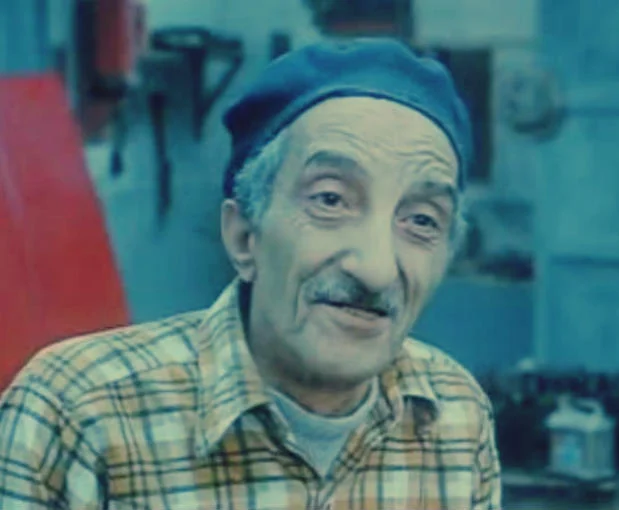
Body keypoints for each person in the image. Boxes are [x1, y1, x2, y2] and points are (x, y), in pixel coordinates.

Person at [0, 38, 501, 509]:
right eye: (330, 199)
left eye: (422, 221)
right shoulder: (77, 410)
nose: (375, 269)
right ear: (244, 237)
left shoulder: (457, 416)